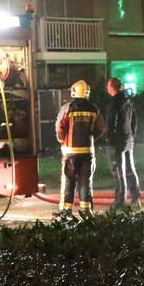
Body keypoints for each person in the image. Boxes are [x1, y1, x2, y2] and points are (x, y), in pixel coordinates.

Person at [55, 79, 106, 215]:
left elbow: (60, 127)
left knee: (68, 180)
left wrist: (61, 141)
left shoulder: (68, 108)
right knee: (85, 181)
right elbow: (101, 128)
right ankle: (86, 210)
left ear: (74, 91)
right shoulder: (94, 109)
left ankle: (66, 210)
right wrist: (92, 138)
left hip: (70, 152)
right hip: (88, 152)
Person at [105, 78, 141, 211]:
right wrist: (131, 136)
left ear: (111, 87)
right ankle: (136, 199)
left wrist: (110, 140)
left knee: (119, 172)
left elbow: (111, 123)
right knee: (130, 169)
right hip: (128, 139)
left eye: (107, 85)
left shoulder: (113, 102)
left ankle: (119, 202)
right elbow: (134, 120)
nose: (106, 87)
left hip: (118, 142)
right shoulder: (128, 101)